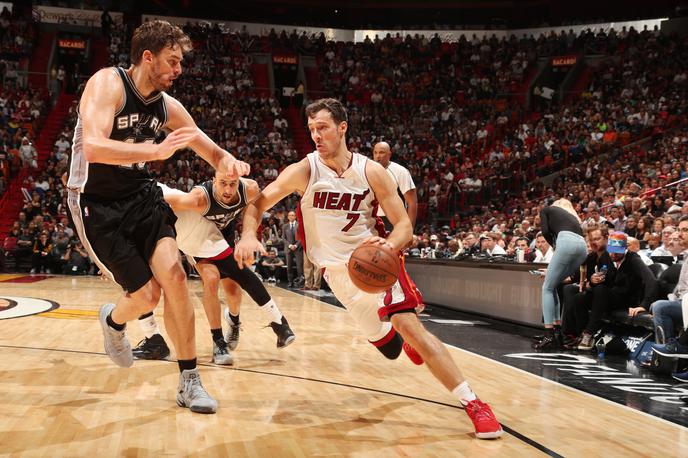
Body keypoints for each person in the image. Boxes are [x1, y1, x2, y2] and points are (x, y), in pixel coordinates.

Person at [234, 98, 503, 439]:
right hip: (339, 276)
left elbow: (403, 225)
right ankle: (403, 342)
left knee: (411, 326)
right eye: (312, 129)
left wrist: (390, 245)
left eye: (323, 127)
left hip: (377, 263)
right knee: (390, 349)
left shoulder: (371, 171)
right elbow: (259, 202)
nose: (316, 135)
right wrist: (246, 234)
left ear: (342, 127)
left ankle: (475, 404)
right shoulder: (304, 169)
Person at [66, 20, 250, 414]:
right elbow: (94, 148)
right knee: (147, 295)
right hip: (96, 201)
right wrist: (157, 152)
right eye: (172, 61)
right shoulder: (107, 84)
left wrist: (228, 161)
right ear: (147, 57)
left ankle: (188, 380)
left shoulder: (168, 107)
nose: (178, 70)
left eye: (180, 62)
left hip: (141, 196)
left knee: (177, 276)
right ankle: (115, 322)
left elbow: (209, 149)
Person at [132, 175, 296, 362]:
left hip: (221, 234)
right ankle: (219, 342)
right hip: (195, 236)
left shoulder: (248, 188)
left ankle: (240, 320)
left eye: (232, 184)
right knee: (210, 279)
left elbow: (257, 207)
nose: (227, 189)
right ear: (214, 180)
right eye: (223, 184)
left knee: (234, 290)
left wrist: (249, 235)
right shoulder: (198, 196)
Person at [576, 232, 658, 351]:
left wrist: (644, 305)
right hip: (606, 296)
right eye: (611, 250)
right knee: (579, 297)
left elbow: (652, 281)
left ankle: (589, 333)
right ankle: (573, 334)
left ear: (625, 248)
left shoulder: (633, 259)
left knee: (600, 290)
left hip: (625, 299)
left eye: (616, 251)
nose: (613, 254)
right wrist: (593, 281)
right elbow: (600, 278)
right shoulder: (605, 256)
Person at [533, 198, 587, 350]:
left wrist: (555, 247)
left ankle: (549, 334)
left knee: (547, 288)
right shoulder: (573, 217)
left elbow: (544, 232)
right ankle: (558, 333)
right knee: (554, 285)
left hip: (566, 243)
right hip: (582, 247)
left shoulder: (546, 210)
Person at [372, 141, 418, 233]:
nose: (378, 156)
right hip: (371, 219)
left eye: (381, 152)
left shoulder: (400, 171)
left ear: (389, 154)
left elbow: (412, 203)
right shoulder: (366, 170)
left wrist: (409, 231)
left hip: (394, 219)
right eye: (375, 152)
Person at [282, 211, 303, 288]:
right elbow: (283, 238)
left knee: (299, 266)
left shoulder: (299, 225)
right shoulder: (285, 226)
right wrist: (290, 245)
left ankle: (301, 282)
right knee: (289, 266)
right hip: (289, 248)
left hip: (298, 248)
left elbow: (301, 237)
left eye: (293, 215)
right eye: (290, 215)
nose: (291, 217)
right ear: (288, 217)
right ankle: (290, 282)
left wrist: (296, 245)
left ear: (295, 217)